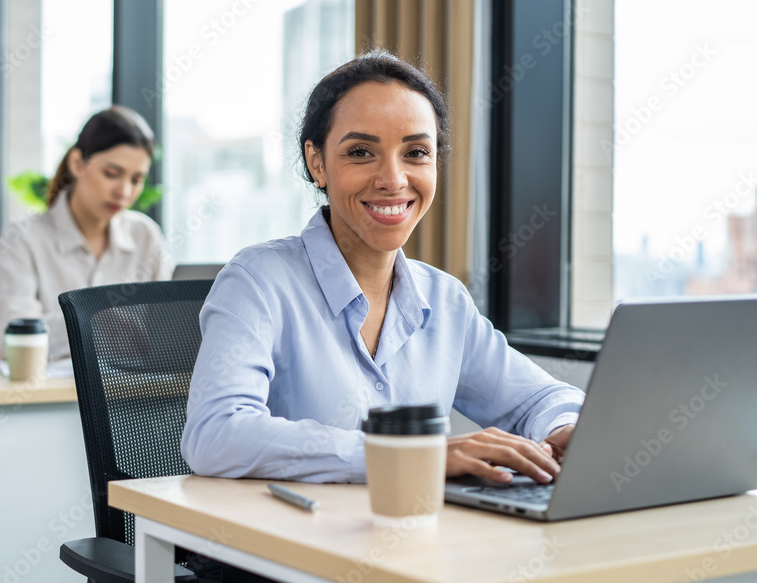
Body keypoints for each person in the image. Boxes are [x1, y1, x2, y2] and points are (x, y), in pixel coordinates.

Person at [181, 51, 585, 485]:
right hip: (289, 545)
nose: (393, 179)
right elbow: (216, 434)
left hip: (416, 543)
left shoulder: (445, 301)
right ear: (317, 162)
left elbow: (537, 399)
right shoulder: (258, 282)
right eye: (361, 152)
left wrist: (563, 429)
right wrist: (408, 457)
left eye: (415, 152)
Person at [0, 106, 173, 362]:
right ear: (77, 163)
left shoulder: (145, 235)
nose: (124, 192)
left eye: (136, 179)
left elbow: (169, 331)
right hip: (51, 398)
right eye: (112, 174)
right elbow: (9, 343)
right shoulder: (22, 238)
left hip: (132, 394)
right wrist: (93, 325)